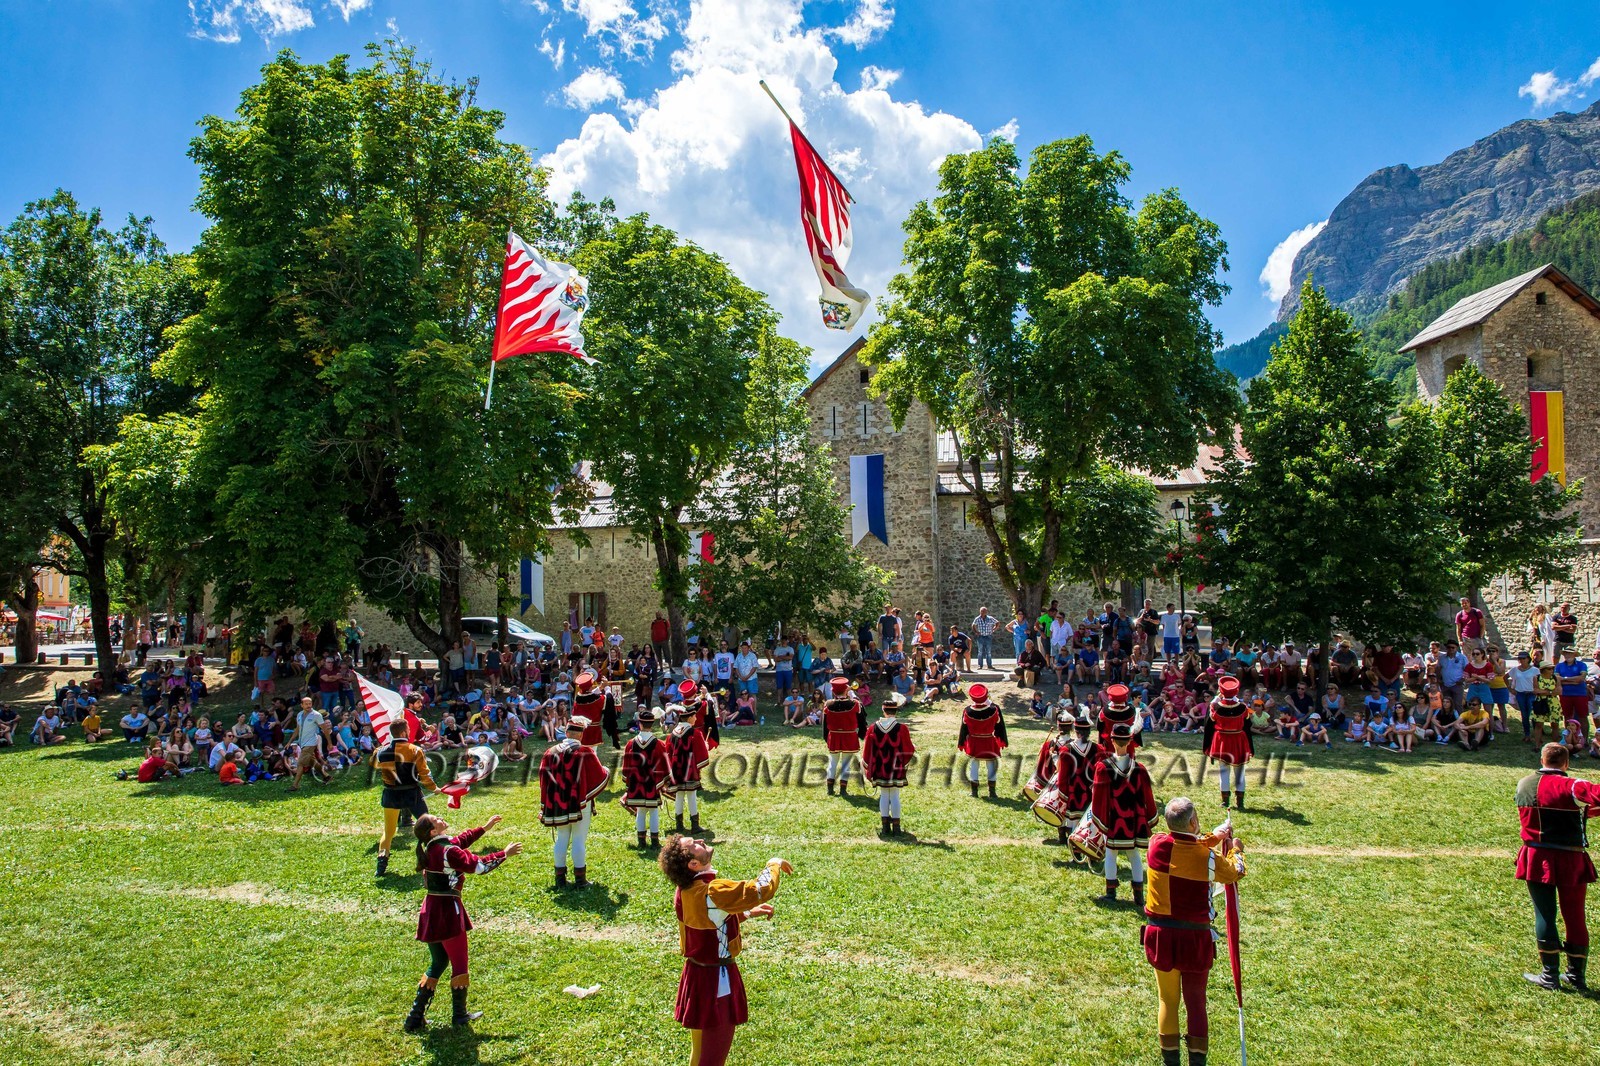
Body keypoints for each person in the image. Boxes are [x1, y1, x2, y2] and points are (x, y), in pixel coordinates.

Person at [659, 838, 790, 1066]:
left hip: (696, 974)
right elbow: (760, 889)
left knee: (698, 1053)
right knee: (712, 1060)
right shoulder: (713, 890)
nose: (700, 840)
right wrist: (773, 863)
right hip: (717, 980)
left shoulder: (684, 889)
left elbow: (709, 921)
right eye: (694, 845)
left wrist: (747, 913)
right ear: (693, 864)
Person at [1142, 797, 1246, 1066]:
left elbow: (1182, 850)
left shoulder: (1156, 845)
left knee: (1167, 999)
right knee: (1196, 1001)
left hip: (1161, 936)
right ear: (1193, 822)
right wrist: (1236, 849)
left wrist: (1213, 836)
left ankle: (1170, 1062)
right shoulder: (1207, 858)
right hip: (1195, 940)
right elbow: (1235, 872)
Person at [404, 812, 520, 1031]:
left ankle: (414, 1017)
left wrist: (484, 828)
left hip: (431, 911)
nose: (439, 817)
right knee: (459, 964)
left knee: (438, 962)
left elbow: (460, 842)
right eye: (435, 819)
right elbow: (478, 866)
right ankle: (459, 1015)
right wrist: (504, 854)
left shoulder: (431, 848)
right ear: (433, 831)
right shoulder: (448, 851)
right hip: (448, 914)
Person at [1517, 743, 1600, 990]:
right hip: (1570, 858)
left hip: (1536, 854)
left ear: (1542, 759)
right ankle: (1576, 976)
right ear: (1566, 763)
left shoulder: (1523, 783)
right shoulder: (1573, 785)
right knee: (1574, 915)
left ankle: (1549, 975)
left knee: (1544, 914)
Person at [538, 717, 610, 888]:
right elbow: (599, 776)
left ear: (566, 732)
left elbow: (543, 779)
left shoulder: (550, 752)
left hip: (558, 802)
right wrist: (606, 770)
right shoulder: (585, 751)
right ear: (581, 734)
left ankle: (560, 879)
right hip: (579, 803)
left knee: (562, 837)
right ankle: (580, 879)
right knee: (578, 839)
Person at [1092, 722, 1158, 904]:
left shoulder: (1102, 768)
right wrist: (1150, 818)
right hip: (1133, 820)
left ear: (1112, 741)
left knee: (1111, 854)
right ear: (1130, 741)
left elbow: (1098, 798)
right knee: (1134, 855)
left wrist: (1098, 821)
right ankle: (1138, 895)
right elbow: (1148, 799)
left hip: (1113, 819)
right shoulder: (1140, 769)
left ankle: (1111, 892)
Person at [373, 726, 440, 877]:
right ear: (404, 732)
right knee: (428, 828)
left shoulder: (380, 752)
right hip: (411, 794)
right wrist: (434, 788)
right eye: (408, 729)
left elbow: (376, 764)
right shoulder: (415, 750)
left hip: (391, 795)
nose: (410, 731)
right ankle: (434, 861)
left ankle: (381, 865)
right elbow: (424, 774)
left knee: (388, 832)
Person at [863, 692, 915, 835]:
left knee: (884, 794)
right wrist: (903, 763)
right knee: (895, 795)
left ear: (883, 710)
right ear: (896, 711)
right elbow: (908, 749)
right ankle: (897, 827)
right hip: (896, 766)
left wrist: (867, 765)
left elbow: (867, 750)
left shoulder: (873, 727)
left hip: (880, 766)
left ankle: (885, 826)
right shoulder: (902, 728)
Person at [621, 708, 670, 848]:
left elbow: (626, 766)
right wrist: (663, 781)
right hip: (652, 783)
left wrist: (628, 781)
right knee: (653, 810)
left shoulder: (631, 743)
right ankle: (655, 841)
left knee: (641, 810)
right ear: (652, 725)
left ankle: (641, 841)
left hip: (636, 782)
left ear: (640, 724)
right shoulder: (660, 744)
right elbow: (665, 765)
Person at [1203, 677, 1253, 810]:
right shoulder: (1242, 707)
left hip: (1222, 740)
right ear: (1236, 691)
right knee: (1240, 771)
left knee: (1224, 771)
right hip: (1238, 739)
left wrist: (1215, 701)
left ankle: (1225, 801)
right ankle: (1240, 802)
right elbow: (1247, 722)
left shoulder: (1215, 707)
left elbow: (1210, 720)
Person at [958, 682, 1008, 798]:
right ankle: (992, 792)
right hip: (989, 740)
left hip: (974, 741)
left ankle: (974, 792)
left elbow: (964, 728)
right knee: (991, 765)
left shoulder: (967, 711)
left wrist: (962, 742)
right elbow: (999, 725)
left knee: (974, 765)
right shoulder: (994, 709)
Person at [665, 713, 711, 834]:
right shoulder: (695, 733)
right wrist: (706, 747)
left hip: (676, 770)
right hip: (689, 769)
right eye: (694, 716)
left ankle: (679, 824)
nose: (696, 718)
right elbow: (700, 752)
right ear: (689, 717)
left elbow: (668, 752)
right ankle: (695, 825)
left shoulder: (672, 734)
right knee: (691, 796)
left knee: (679, 795)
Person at [821, 676, 868, 796]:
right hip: (849, 736)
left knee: (832, 763)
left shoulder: (828, 704)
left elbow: (824, 725)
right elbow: (862, 720)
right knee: (846, 763)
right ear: (846, 689)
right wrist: (862, 734)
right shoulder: (855, 704)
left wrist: (827, 738)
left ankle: (830, 789)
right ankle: (843, 789)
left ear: (833, 691)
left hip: (834, 736)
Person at [571, 670, 621, 750]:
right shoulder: (598, 700)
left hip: (579, 731)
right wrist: (607, 687)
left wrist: (600, 687)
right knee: (592, 754)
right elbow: (609, 698)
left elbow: (589, 696)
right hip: (592, 731)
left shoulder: (578, 698)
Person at [1555, 647, 1591, 750]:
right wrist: (1573, 680)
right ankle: (1568, 739)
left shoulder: (1582, 665)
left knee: (1583, 716)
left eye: (1570, 654)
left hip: (1580, 694)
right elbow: (1558, 679)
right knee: (1567, 717)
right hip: (1565, 694)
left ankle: (1585, 739)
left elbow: (1581, 679)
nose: (1567, 655)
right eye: (1566, 653)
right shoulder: (1559, 666)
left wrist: (1565, 679)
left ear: (1575, 655)